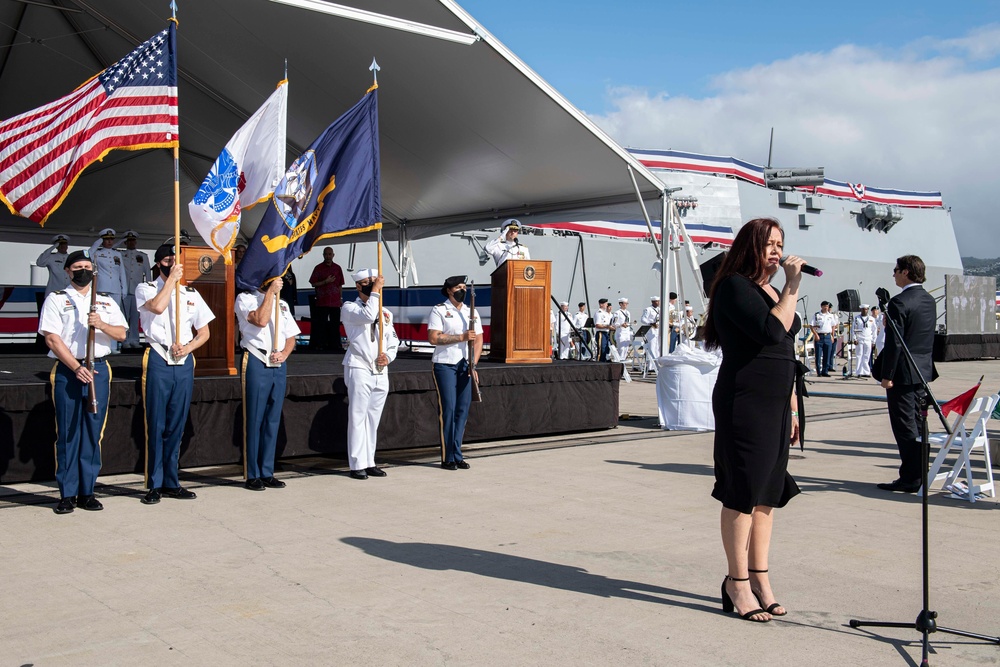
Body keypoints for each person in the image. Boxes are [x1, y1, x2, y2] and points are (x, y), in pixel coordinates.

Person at [702, 217, 804, 623]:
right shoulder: (734, 287)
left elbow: (788, 350)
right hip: (744, 402)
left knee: (768, 492)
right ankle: (736, 582)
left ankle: (760, 578)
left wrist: (793, 405)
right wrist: (793, 287)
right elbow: (771, 331)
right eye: (769, 245)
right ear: (750, 248)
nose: (777, 251)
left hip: (777, 403)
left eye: (780, 243)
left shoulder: (771, 290)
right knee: (743, 490)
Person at [38, 250, 128, 514]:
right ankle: (67, 493)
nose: (83, 271)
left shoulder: (105, 302)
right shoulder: (56, 299)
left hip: (98, 369)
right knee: (68, 433)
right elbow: (52, 338)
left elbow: (122, 334)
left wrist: (100, 324)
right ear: (68, 271)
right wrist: (76, 367)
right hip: (69, 370)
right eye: (77, 267)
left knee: (92, 432)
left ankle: (87, 492)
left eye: (87, 266)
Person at [135, 244, 215, 505]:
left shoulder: (191, 293)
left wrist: (188, 347)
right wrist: (170, 280)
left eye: (175, 259)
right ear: (159, 263)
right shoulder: (146, 288)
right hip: (158, 357)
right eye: (168, 260)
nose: (173, 262)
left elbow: (204, 332)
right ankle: (154, 483)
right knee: (156, 423)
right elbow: (157, 308)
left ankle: (171, 480)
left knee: (176, 424)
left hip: (182, 361)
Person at [874, 255, 938, 493]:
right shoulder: (928, 300)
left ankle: (911, 477)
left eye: (896, 270)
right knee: (920, 423)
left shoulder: (900, 302)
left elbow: (895, 344)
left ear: (906, 272)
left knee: (904, 426)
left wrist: (887, 375)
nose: (894, 273)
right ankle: (921, 471)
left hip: (902, 374)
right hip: (922, 372)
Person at [236, 274, 300, 490]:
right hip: (256, 358)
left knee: (272, 420)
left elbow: (291, 336)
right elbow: (260, 320)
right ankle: (252, 473)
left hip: (277, 363)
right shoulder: (245, 299)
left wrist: (284, 354)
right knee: (254, 418)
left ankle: (266, 470)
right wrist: (270, 293)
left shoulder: (282, 304)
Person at [342, 269, 399, 479]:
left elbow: (393, 340)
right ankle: (357, 463)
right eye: (368, 283)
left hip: (380, 368)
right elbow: (367, 316)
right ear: (358, 286)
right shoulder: (349, 307)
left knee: (373, 418)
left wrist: (389, 357)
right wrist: (375, 291)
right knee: (358, 416)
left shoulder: (386, 312)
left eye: (375, 282)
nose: (373, 285)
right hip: (359, 365)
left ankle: (370, 460)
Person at [427, 275, 482, 470]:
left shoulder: (471, 312)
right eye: (458, 287)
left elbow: (478, 341)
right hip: (445, 364)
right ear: (449, 290)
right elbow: (433, 338)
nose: (463, 290)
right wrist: (461, 337)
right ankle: (447, 456)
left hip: (464, 366)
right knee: (448, 409)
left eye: (464, 287)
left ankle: (457, 453)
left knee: (462, 410)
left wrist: (473, 364)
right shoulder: (440, 310)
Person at [89, 229, 128, 343]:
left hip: (116, 288)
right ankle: (102, 342)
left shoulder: (117, 254)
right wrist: (97, 243)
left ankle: (114, 345)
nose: (110, 241)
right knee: (102, 314)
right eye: (106, 239)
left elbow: (122, 272)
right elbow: (88, 255)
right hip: (102, 287)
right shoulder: (97, 253)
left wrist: (124, 288)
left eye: (111, 239)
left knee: (115, 317)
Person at [115, 230, 150, 350]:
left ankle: (134, 340)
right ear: (125, 242)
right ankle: (124, 340)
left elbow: (148, 274)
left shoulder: (142, 256)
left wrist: (148, 290)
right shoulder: (120, 255)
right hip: (124, 290)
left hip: (137, 291)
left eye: (133, 240)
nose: (131, 243)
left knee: (135, 318)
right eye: (128, 241)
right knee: (124, 317)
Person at [309, 247, 346, 353]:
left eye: (330, 254)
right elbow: (313, 283)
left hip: (334, 301)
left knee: (335, 324)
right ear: (323, 255)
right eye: (326, 254)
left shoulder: (337, 268)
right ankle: (321, 344)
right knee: (322, 324)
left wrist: (340, 298)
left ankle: (335, 345)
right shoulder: (318, 268)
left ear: (333, 255)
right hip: (322, 301)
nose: (328, 256)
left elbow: (340, 285)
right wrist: (325, 281)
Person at [810, 301, 838, 376]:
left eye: (827, 306)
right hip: (820, 336)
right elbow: (811, 326)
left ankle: (825, 371)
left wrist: (832, 335)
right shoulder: (817, 315)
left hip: (828, 336)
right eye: (825, 306)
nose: (826, 308)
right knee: (818, 355)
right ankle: (818, 371)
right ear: (821, 306)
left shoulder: (830, 316)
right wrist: (816, 335)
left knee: (827, 355)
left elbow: (833, 326)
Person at [851, 304, 877, 377]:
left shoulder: (871, 318)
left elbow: (874, 330)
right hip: (859, 339)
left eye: (866, 309)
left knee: (866, 356)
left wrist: (873, 341)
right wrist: (854, 338)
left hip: (868, 339)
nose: (864, 310)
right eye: (863, 309)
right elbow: (853, 330)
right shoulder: (857, 318)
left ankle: (866, 372)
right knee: (859, 355)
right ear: (861, 310)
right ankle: (859, 371)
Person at [641, 296, 661, 371]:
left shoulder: (659, 309)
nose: (658, 303)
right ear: (652, 302)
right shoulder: (648, 309)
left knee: (657, 348)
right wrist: (650, 323)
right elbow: (643, 319)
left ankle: (656, 365)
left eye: (658, 301)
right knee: (652, 348)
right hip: (651, 331)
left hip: (658, 330)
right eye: (656, 301)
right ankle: (650, 367)